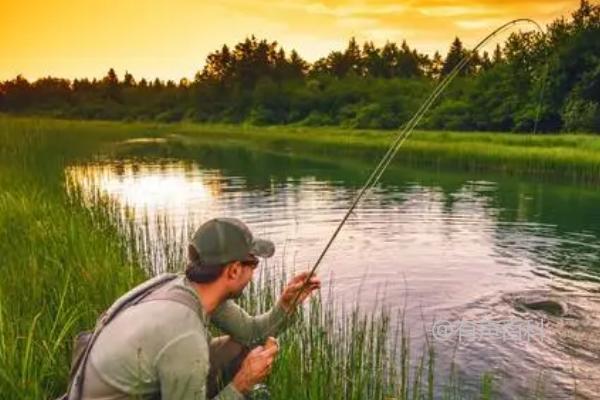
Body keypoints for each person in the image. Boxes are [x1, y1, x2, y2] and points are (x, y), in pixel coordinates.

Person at [79, 217, 320, 399]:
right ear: (234, 270)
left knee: (240, 347)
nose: (253, 273)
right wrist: (242, 383)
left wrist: (286, 305)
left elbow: (251, 334)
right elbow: (185, 344)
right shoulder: (184, 335)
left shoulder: (183, 286)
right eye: (253, 264)